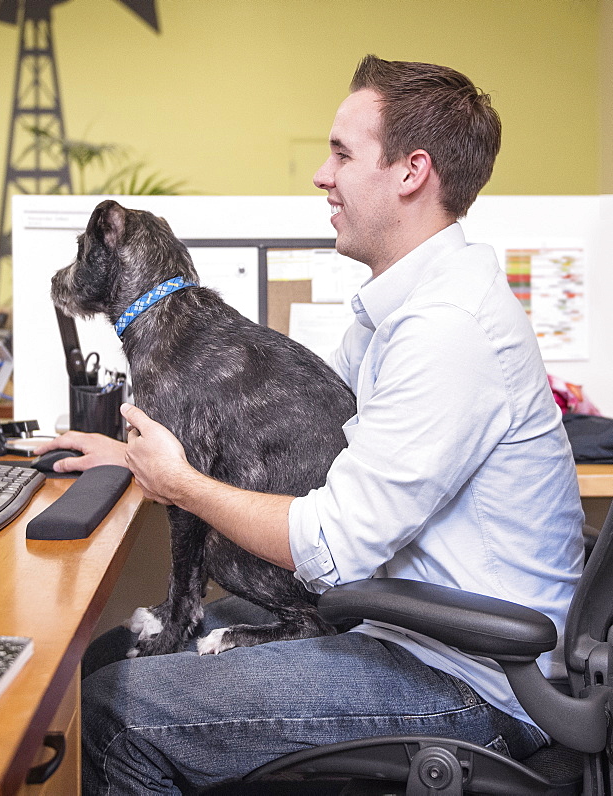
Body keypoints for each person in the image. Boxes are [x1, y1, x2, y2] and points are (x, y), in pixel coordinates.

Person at [35, 54, 584, 793]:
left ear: (411, 171)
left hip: (471, 680)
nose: (322, 175)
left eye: (341, 153)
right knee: (105, 657)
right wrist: (129, 451)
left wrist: (183, 483)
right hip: (410, 630)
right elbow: (313, 441)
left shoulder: (450, 329)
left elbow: (330, 544)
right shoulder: (400, 310)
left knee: (111, 710)